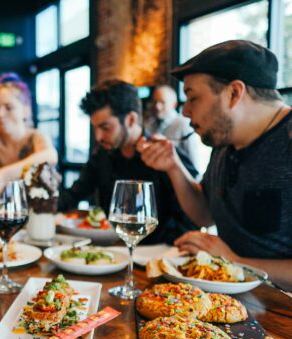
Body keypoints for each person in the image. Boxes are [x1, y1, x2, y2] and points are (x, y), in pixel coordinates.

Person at [138, 40, 292, 289]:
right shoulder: (225, 142)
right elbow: (205, 213)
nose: (185, 112)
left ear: (234, 93)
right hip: (234, 299)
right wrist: (173, 166)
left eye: (192, 98)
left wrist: (235, 261)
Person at [59, 79, 198, 245]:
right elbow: (73, 195)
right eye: (95, 128)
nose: (98, 137)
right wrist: (41, 199)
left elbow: (192, 220)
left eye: (105, 127)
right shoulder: (102, 156)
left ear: (131, 119)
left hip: (157, 257)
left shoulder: (165, 155)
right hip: (113, 252)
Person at [145, 84, 208, 174]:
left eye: (162, 102)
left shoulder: (184, 124)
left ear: (174, 104)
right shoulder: (149, 124)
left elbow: (194, 163)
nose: (157, 106)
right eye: (155, 102)